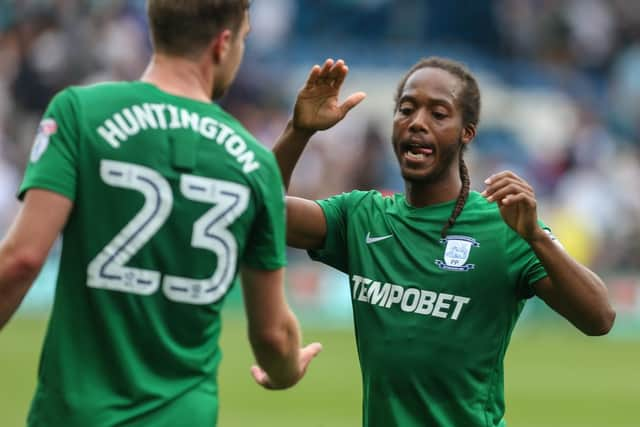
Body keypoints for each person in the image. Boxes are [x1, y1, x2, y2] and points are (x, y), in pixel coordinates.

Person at [0, 1, 322, 426]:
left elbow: (21, 260)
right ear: (222, 44)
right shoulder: (253, 162)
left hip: (74, 414)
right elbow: (271, 334)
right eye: (243, 40)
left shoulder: (80, 112)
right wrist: (285, 370)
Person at [265, 57, 616, 426]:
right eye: (406, 109)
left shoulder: (504, 226)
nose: (417, 122)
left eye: (438, 113)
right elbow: (261, 213)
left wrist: (535, 238)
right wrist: (298, 131)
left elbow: (600, 317)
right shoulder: (361, 217)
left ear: (467, 132)